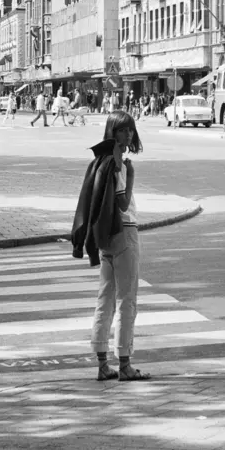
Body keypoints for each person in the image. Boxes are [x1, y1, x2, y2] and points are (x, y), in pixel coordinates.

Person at [72, 111, 150, 383]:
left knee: (105, 299)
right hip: (125, 232)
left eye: (131, 129)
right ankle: (125, 362)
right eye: (123, 130)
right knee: (127, 299)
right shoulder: (119, 164)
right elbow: (122, 203)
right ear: (113, 132)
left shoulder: (100, 161)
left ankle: (103, 363)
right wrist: (130, 177)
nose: (128, 135)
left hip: (105, 237)